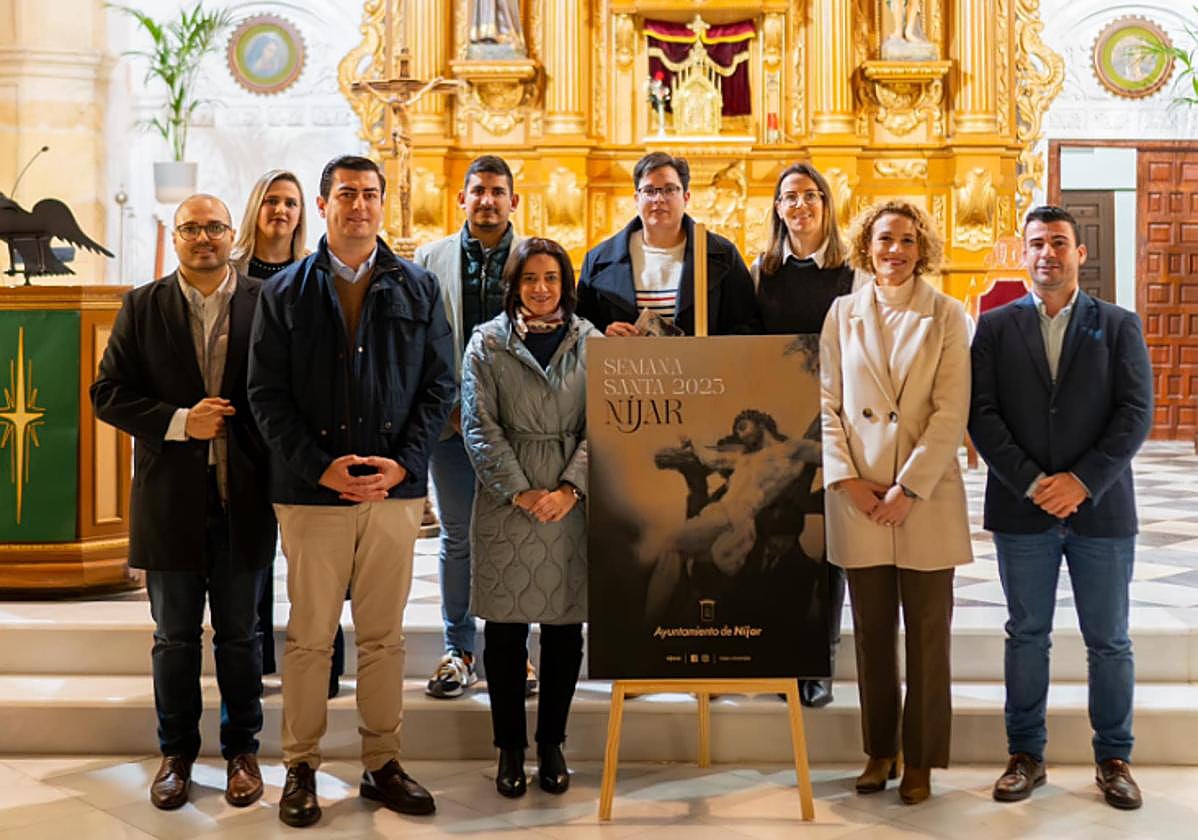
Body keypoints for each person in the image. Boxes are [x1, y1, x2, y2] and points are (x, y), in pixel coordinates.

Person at [248, 155, 455, 827]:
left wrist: (403, 465)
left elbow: (440, 387)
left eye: (369, 194)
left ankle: (381, 763)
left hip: (393, 495)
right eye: (346, 194)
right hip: (312, 496)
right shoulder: (284, 292)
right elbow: (265, 396)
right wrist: (319, 467)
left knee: (383, 638)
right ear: (324, 202)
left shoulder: (419, 288)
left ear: (382, 203)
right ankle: (301, 765)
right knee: (309, 638)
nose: (358, 205)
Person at [91, 194, 275, 811]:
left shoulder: (263, 302)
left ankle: (243, 753)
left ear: (231, 235)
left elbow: (284, 393)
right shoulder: (143, 306)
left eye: (214, 227)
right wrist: (177, 421)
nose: (204, 238)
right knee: (173, 637)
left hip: (243, 498)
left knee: (240, 637)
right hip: (169, 500)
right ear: (175, 237)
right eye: (191, 228)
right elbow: (107, 393)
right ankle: (176, 754)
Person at [969, 205, 1153, 811]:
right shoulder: (994, 328)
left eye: (1059, 242)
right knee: (1026, 634)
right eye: (1036, 244)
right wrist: (1032, 482)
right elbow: (983, 415)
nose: (1047, 253)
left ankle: (1114, 759)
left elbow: (1134, 414)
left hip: (1100, 510)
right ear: (1022, 255)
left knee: (1109, 640)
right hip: (1024, 511)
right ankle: (1025, 755)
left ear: (1079, 253)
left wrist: (1081, 480)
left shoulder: (1118, 324)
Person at [820, 199, 973, 805]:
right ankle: (880, 749)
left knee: (930, 634)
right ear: (867, 246)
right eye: (885, 239)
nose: (896, 250)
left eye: (908, 240)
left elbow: (950, 410)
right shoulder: (842, 312)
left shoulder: (948, 315)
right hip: (860, 494)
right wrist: (849, 480)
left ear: (921, 248)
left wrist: (908, 487)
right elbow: (826, 401)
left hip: (924, 495)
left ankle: (923, 759)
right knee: (872, 632)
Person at [460, 237, 598, 799]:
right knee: (506, 631)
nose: (541, 289)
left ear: (565, 283)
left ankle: (552, 743)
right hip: (505, 500)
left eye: (551, 278)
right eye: (529, 279)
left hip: (570, 497)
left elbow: (605, 423)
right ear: (513, 285)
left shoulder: (589, 342)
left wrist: (571, 488)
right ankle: (510, 748)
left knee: (565, 631)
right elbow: (477, 423)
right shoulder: (486, 343)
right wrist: (519, 492)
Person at [414, 155, 533, 700]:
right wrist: (452, 408)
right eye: (478, 191)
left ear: (513, 199)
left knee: (515, 540)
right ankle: (458, 650)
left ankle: (516, 656)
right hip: (450, 428)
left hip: (517, 430)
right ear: (462, 198)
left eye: (497, 191)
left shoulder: (536, 258)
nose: (487, 200)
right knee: (458, 539)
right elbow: (423, 345)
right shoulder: (429, 258)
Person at [231, 169, 350, 698]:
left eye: (292, 203)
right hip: (243, 430)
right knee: (256, 553)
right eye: (272, 201)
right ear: (255, 208)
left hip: (303, 435)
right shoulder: (229, 272)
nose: (281, 211)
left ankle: (322, 662)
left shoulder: (312, 273)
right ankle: (255, 660)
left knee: (314, 563)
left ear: (306, 212)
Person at [750, 162, 861, 709]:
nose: (800, 206)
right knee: (775, 534)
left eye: (810, 195)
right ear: (777, 208)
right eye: (789, 197)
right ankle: (777, 654)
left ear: (826, 204)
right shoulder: (761, 271)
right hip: (776, 423)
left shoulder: (851, 274)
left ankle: (818, 662)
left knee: (824, 545)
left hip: (832, 423)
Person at [577, 151, 759, 337]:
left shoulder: (722, 255)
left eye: (670, 189)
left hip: (704, 365)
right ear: (636, 199)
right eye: (649, 191)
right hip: (626, 365)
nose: (659, 199)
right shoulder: (598, 260)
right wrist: (602, 335)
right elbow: (579, 329)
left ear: (686, 197)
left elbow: (746, 326)